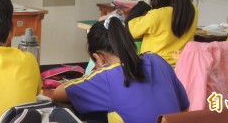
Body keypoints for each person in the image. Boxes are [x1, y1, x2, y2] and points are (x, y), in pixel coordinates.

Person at [53, 15, 189, 123]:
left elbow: (57, 93)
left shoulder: (107, 76)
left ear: (99, 57)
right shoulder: (157, 60)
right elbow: (183, 105)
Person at [126, 0, 198, 67]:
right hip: (182, 69)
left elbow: (129, 29)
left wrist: (141, 5)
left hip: (156, 70)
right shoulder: (193, 9)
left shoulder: (157, 15)